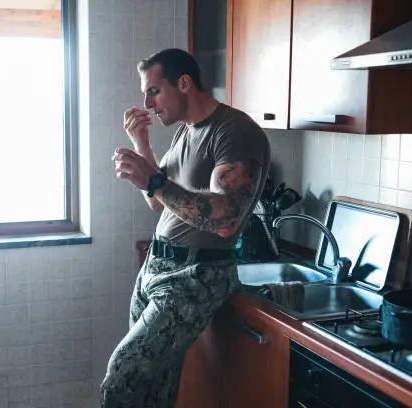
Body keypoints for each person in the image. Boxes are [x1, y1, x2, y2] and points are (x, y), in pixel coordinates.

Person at [103, 48, 271, 407]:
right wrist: (142, 145)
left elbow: (226, 220)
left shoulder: (236, 131)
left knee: (121, 377)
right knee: (154, 389)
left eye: (153, 91)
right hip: (156, 268)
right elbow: (157, 200)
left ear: (183, 83)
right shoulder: (185, 132)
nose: (146, 103)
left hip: (194, 274)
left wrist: (156, 182)